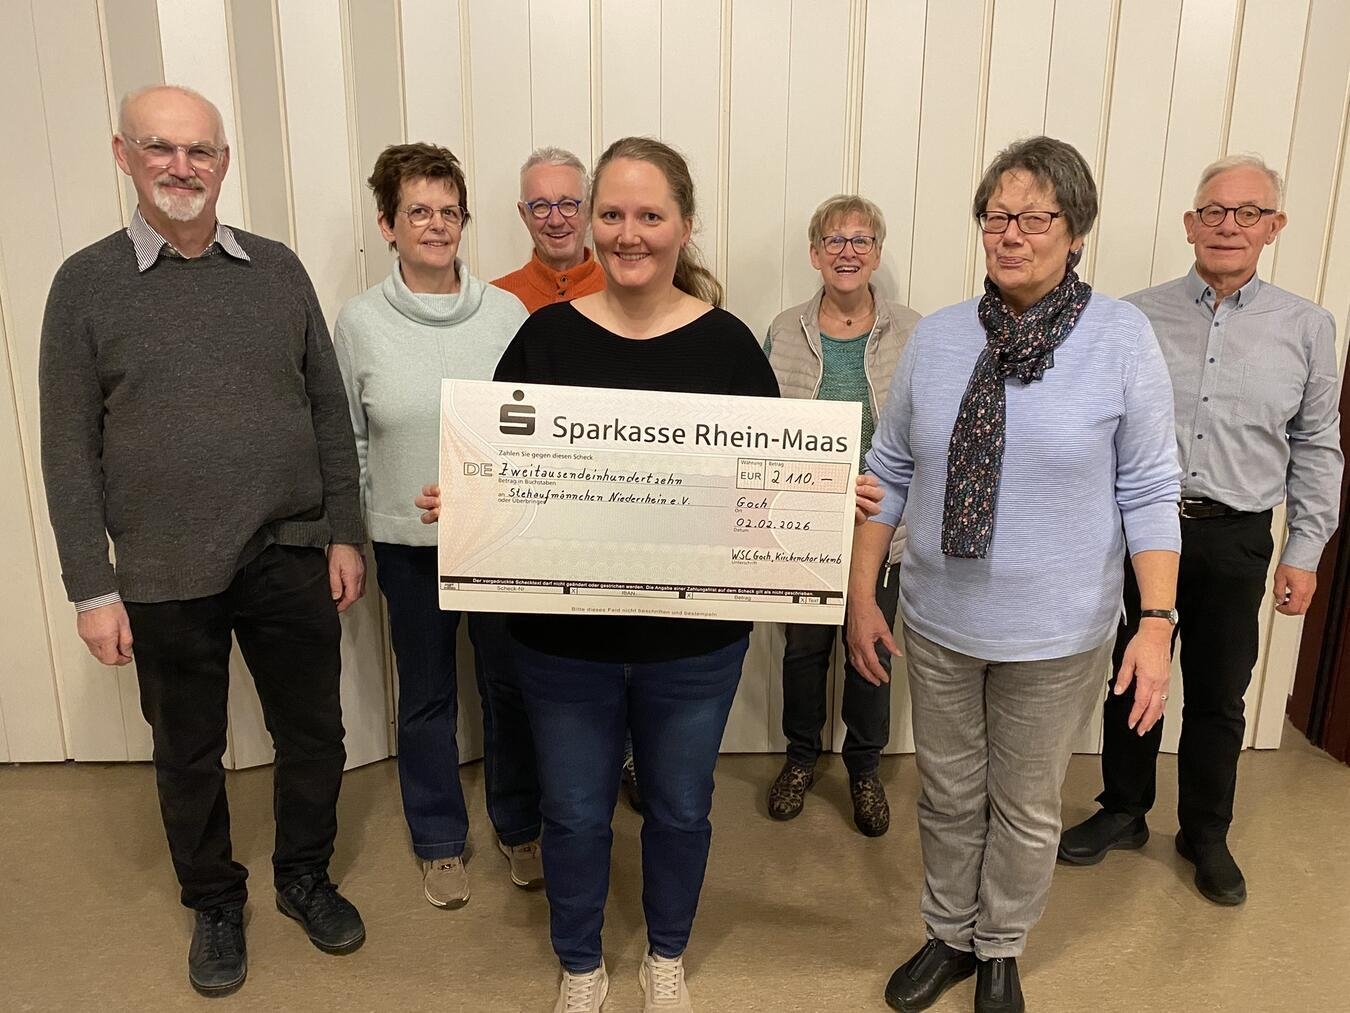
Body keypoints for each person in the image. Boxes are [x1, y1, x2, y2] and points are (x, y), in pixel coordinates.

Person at [418, 137, 780, 1013]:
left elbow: (767, 486)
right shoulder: (542, 338)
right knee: (575, 813)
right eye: (610, 214)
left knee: (682, 810)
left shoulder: (729, 346)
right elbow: (507, 472)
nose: (628, 233)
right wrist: (467, 501)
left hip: (692, 647)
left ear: (684, 226)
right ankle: (582, 964)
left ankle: (665, 956)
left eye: (649, 215)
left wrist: (822, 496)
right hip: (562, 643)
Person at [39, 85, 367, 998]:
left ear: (224, 161)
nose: (182, 168)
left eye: (201, 151)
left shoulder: (276, 268)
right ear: (124, 155)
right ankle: (215, 900)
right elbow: (66, 448)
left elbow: (328, 411)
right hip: (161, 568)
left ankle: (304, 873)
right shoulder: (85, 282)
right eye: (161, 150)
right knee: (187, 749)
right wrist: (90, 587)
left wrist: (343, 531)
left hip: (289, 549)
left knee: (315, 732)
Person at [846, 136, 1181, 1013]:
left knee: (1028, 807)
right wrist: (859, 596)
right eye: (998, 216)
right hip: (941, 618)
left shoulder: (1120, 338)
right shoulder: (941, 336)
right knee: (949, 793)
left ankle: (1000, 945)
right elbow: (892, 466)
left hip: (1057, 631)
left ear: (1077, 233)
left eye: (1037, 217)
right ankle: (948, 933)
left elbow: (1149, 486)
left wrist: (1156, 623)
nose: (1013, 234)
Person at [1057, 155, 1343, 905]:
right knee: (1129, 674)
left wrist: (1305, 550)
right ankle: (1122, 808)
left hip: (1236, 535)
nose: (1228, 226)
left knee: (1219, 692)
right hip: (1139, 532)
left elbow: (1317, 444)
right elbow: (1096, 426)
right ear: (1190, 223)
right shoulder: (1133, 316)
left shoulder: (1308, 328)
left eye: (1248, 213)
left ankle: (1205, 831)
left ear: (1274, 227)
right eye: (1214, 211)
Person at [332, 143, 542, 910]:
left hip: (495, 542)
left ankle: (521, 823)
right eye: (418, 210)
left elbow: (533, 431)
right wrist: (348, 535)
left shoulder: (506, 315)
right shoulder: (357, 322)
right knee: (425, 695)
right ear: (388, 223)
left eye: (449, 211)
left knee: (509, 688)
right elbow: (349, 440)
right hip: (406, 547)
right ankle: (438, 840)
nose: (436, 225)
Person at [763, 194, 919, 836]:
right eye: (835, 240)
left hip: (884, 526)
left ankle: (863, 768)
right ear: (815, 254)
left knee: (871, 650)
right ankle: (801, 756)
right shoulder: (782, 329)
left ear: (877, 254)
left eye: (861, 241)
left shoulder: (914, 331)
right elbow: (762, 425)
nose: (848, 251)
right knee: (803, 651)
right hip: (802, 523)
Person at [492, 146, 607, 311]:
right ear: (524, 214)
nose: (556, 221)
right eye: (541, 206)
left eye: (568, 205)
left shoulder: (622, 294)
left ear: (589, 209)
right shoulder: (496, 301)